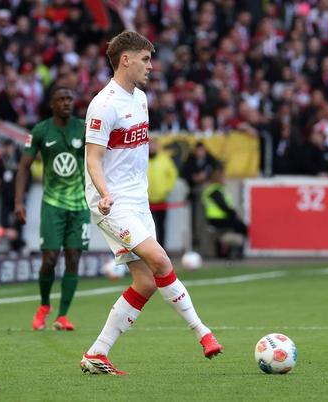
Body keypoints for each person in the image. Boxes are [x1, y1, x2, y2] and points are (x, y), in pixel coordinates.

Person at [81, 31, 222, 375]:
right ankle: (203, 332)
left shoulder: (141, 99)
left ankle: (97, 353)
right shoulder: (104, 105)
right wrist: (105, 194)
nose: (150, 66)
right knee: (160, 260)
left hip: (138, 201)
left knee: (145, 282)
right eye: (145, 59)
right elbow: (93, 158)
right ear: (125, 60)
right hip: (111, 203)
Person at [15, 85, 90, 331]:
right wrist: (19, 202)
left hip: (80, 205)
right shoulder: (41, 130)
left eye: (69, 98)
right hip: (52, 204)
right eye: (61, 99)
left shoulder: (83, 128)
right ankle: (44, 305)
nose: (66, 102)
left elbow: (98, 158)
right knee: (49, 259)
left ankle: (63, 315)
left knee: (73, 257)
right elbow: (23, 167)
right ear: (52, 104)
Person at [202, 165, 248, 259]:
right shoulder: (214, 191)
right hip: (218, 219)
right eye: (223, 177)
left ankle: (230, 249)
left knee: (240, 226)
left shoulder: (217, 189)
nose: (225, 179)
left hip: (220, 219)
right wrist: (234, 214)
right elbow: (223, 206)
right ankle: (237, 250)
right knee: (242, 227)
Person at [147, 137, 178, 244]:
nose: (152, 147)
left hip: (161, 199)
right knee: (147, 227)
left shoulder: (165, 159)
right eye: (150, 144)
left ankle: (162, 248)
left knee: (161, 226)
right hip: (145, 200)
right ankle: (149, 250)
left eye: (154, 144)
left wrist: (167, 189)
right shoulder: (142, 158)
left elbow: (173, 174)